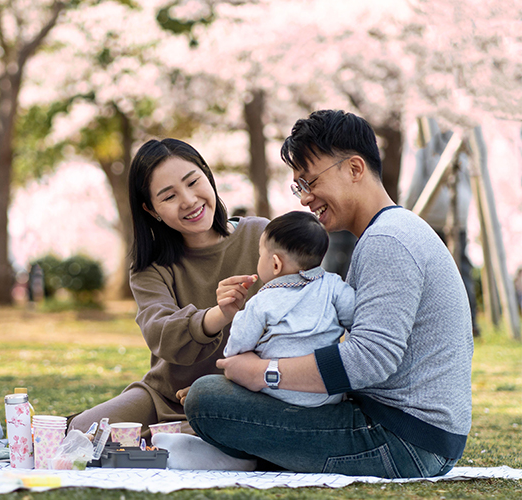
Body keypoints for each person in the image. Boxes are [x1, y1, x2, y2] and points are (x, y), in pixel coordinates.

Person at [184, 110, 473, 479]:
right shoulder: (388, 232)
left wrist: (264, 374)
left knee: (208, 401)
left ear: (354, 168)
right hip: (411, 432)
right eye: (298, 187)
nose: (305, 199)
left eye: (310, 181)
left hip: (403, 440)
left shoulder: (388, 240)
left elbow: (370, 359)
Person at [67, 138, 269, 446]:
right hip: (165, 397)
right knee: (82, 432)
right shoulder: (150, 265)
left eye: (193, 182)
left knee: (205, 437)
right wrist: (219, 314)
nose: (188, 200)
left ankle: (176, 438)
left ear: (207, 176)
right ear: (152, 210)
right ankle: (174, 437)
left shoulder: (261, 237)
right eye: (169, 196)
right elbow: (161, 333)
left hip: (243, 391)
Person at [223, 211, 354, 407]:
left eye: (260, 255)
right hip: (326, 395)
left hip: (276, 392)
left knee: (214, 388)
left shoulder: (263, 301)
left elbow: (237, 347)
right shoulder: (333, 286)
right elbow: (357, 317)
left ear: (276, 264)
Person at [404, 117, 479, 336]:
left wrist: (407, 210)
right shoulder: (462, 121)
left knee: (432, 271)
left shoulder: (421, 126)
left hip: (431, 210)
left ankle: (442, 324)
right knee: (461, 265)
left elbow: (415, 175)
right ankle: (471, 321)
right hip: (460, 208)